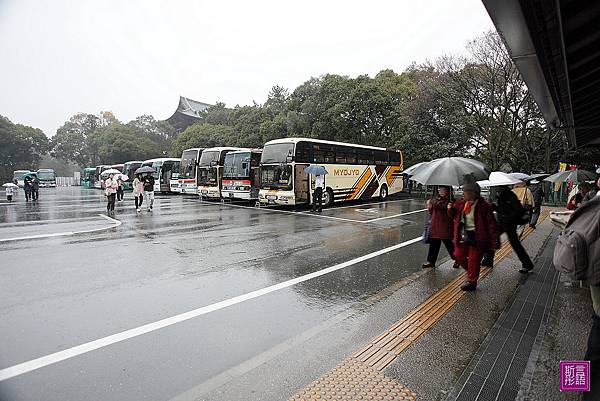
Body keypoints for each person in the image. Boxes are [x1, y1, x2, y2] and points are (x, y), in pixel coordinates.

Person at [449, 183, 499, 291]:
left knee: (474, 260)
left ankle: (472, 281)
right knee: (458, 255)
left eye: (465, 192)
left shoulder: (484, 206)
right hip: (463, 234)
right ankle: (472, 271)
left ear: (472, 193)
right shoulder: (461, 203)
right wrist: (450, 209)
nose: (463, 194)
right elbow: (454, 215)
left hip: (477, 237)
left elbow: (491, 225)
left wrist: (494, 242)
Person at [495, 184, 535, 273]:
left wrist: (507, 217)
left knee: (516, 245)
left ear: (502, 186)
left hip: (509, 224)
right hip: (503, 223)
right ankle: (487, 259)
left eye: (497, 186)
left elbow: (517, 210)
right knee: (493, 238)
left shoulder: (509, 195)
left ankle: (528, 265)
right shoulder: (502, 195)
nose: (496, 188)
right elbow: (502, 209)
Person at [422, 186, 459, 269]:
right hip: (435, 225)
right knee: (433, 245)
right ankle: (431, 261)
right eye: (440, 190)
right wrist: (429, 207)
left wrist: (450, 209)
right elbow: (432, 213)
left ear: (448, 191)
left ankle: (458, 259)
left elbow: (453, 215)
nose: (440, 191)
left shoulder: (451, 201)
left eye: (443, 190)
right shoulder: (435, 200)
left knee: (450, 246)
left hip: (445, 227)